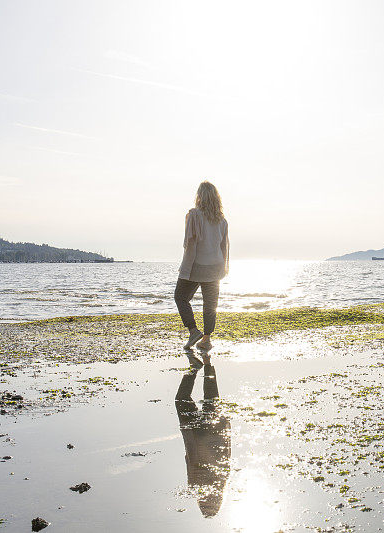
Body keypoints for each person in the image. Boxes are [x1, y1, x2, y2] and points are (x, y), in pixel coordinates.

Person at [174, 181, 229, 352]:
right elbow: (224, 246)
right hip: (215, 267)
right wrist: (224, 268)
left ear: (199, 196)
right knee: (210, 304)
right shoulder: (222, 220)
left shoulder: (194, 215)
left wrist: (184, 268)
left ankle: (193, 331)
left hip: (196, 266)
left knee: (180, 297)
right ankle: (206, 339)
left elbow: (189, 244)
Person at [175, 360, 231, 517]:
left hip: (213, 432)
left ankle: (206, 362)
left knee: (211, 398)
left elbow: (226, 449)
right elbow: (190, 458)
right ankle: (196, 367)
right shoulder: (197, 486)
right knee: (182, 400)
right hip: (197, 434)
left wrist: (225, 424)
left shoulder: (224, 479)